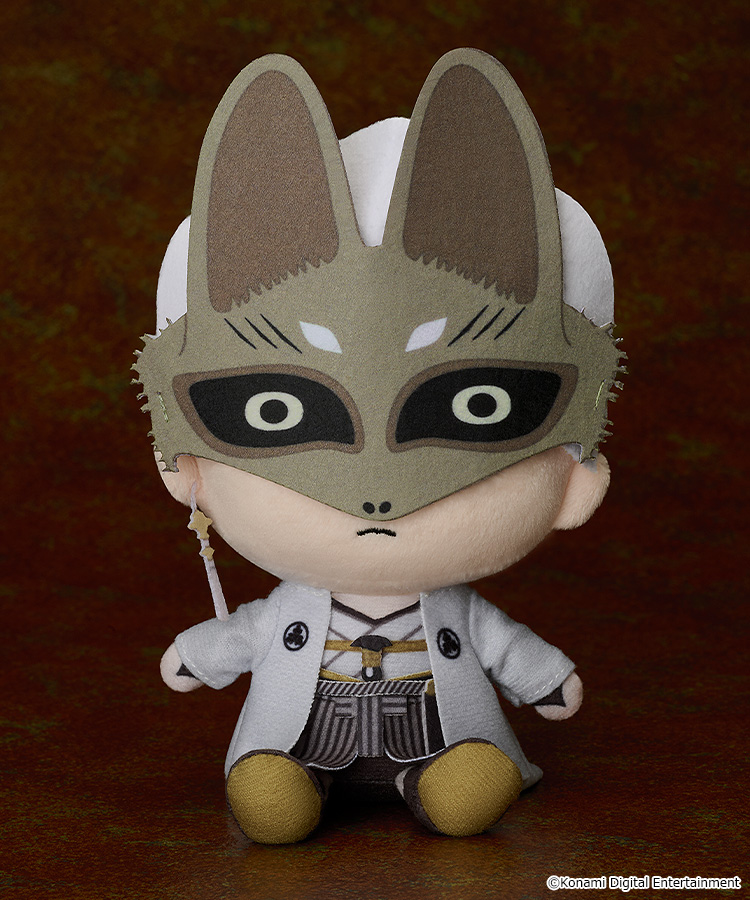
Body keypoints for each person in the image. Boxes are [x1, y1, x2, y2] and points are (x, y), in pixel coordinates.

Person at [137, 49, 622, 844]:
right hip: (309, 733)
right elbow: (248, 633)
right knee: (275, 784)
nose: (377, 493)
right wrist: (203, 653)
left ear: (573, 483)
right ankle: (282, 779)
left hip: (431, 729)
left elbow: (499, 643)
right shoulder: (287, 598)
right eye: (276, 411)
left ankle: (455, 776)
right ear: (190, 472)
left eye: (475, 406)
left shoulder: (459, 607)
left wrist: (544, 678)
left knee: (459, 777)